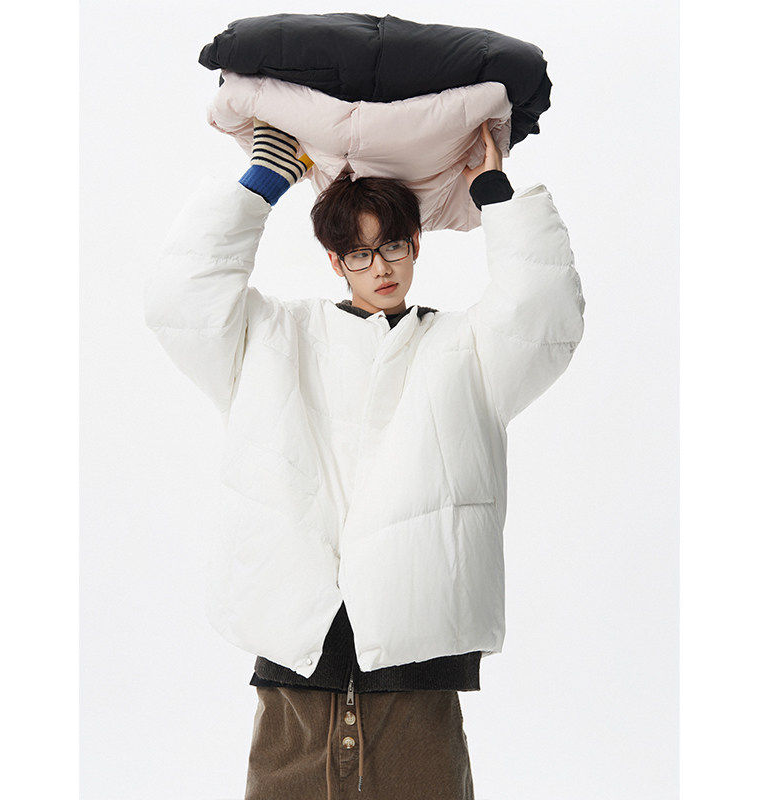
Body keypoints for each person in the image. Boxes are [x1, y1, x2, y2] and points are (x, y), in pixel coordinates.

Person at [145, 117, 585, 800]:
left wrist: (494, 192)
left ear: (417, 245)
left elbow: (543, 317)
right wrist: (261, 183)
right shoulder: (273, 338)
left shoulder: (468, 351)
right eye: (358, 253)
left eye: (394, 246)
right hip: (298, 651)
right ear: (334, 261)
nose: (380, 267)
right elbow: (183, 303)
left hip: (417, 659)